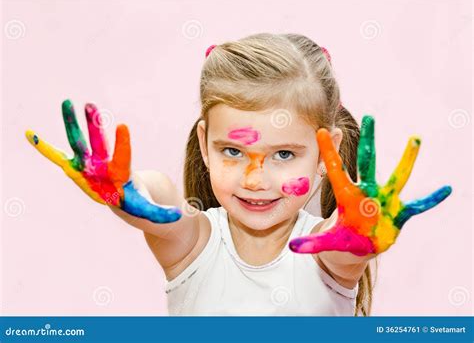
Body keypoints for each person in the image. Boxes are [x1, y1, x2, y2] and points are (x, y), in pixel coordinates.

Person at [25, 33, 451, 316]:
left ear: (327, 153)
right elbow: (160, 203)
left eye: (284, 153)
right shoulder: (194, 245)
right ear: (205, 143)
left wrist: (363, 230)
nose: (255, 178)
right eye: (233, 151)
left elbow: (347, 245)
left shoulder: (325, 252)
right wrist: (129, 189)